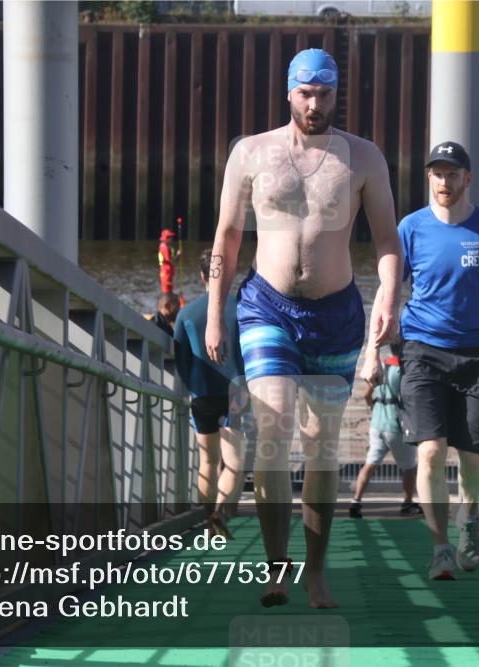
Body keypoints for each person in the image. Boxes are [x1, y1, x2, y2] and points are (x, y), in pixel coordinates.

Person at [205, 48, 401, 609]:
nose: (315, 105)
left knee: (321, 448)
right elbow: (226, 237)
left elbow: (387, 240)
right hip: (266, 306)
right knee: (271, 432)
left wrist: (389, 296)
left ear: (337, 95)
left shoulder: (362, 158)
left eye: (325, 94)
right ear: (288, 93)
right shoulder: (251, 153)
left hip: (336, 314)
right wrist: (217, 311)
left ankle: (316, 571)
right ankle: (275, 566)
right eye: (305, 94)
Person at [361, 140, 479, 581]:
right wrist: (372, 351)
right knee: (430, 452)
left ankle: (469, 517)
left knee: (475, 456)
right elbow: (387, 295)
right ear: (429, 178)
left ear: (468, 178)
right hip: (422, 352)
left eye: (452, 174)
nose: (444, 181)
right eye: (437, 173)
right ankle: (440, 546)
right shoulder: (411, 228)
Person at [173, 250, 246, 539]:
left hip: (201, 393)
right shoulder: (242, 308)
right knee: (234, 463)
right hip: (236, 393)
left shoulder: (186, 313)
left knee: (207, 461)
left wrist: (192, 386)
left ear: (202, 276)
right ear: (229, 274)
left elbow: (180, 359)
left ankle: (209, 522)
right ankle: (220, 510)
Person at [348, 340, 422, 519]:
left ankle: (356, 501)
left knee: (370, 463)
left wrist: (374, 407)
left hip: (377, 424)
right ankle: (407, 503)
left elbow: (366, 394)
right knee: (410, 467)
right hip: (396, 427)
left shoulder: (380, 366)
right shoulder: (405, 371)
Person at [158, 228, 180, 294]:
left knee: (169, 289)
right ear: (166, 238)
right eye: (170, 237)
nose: (172, 239)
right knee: (166, 290)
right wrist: (178, 255)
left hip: (168, 271)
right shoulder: (164, 247)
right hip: (166, 271)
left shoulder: (166, 246)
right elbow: (170, 260)